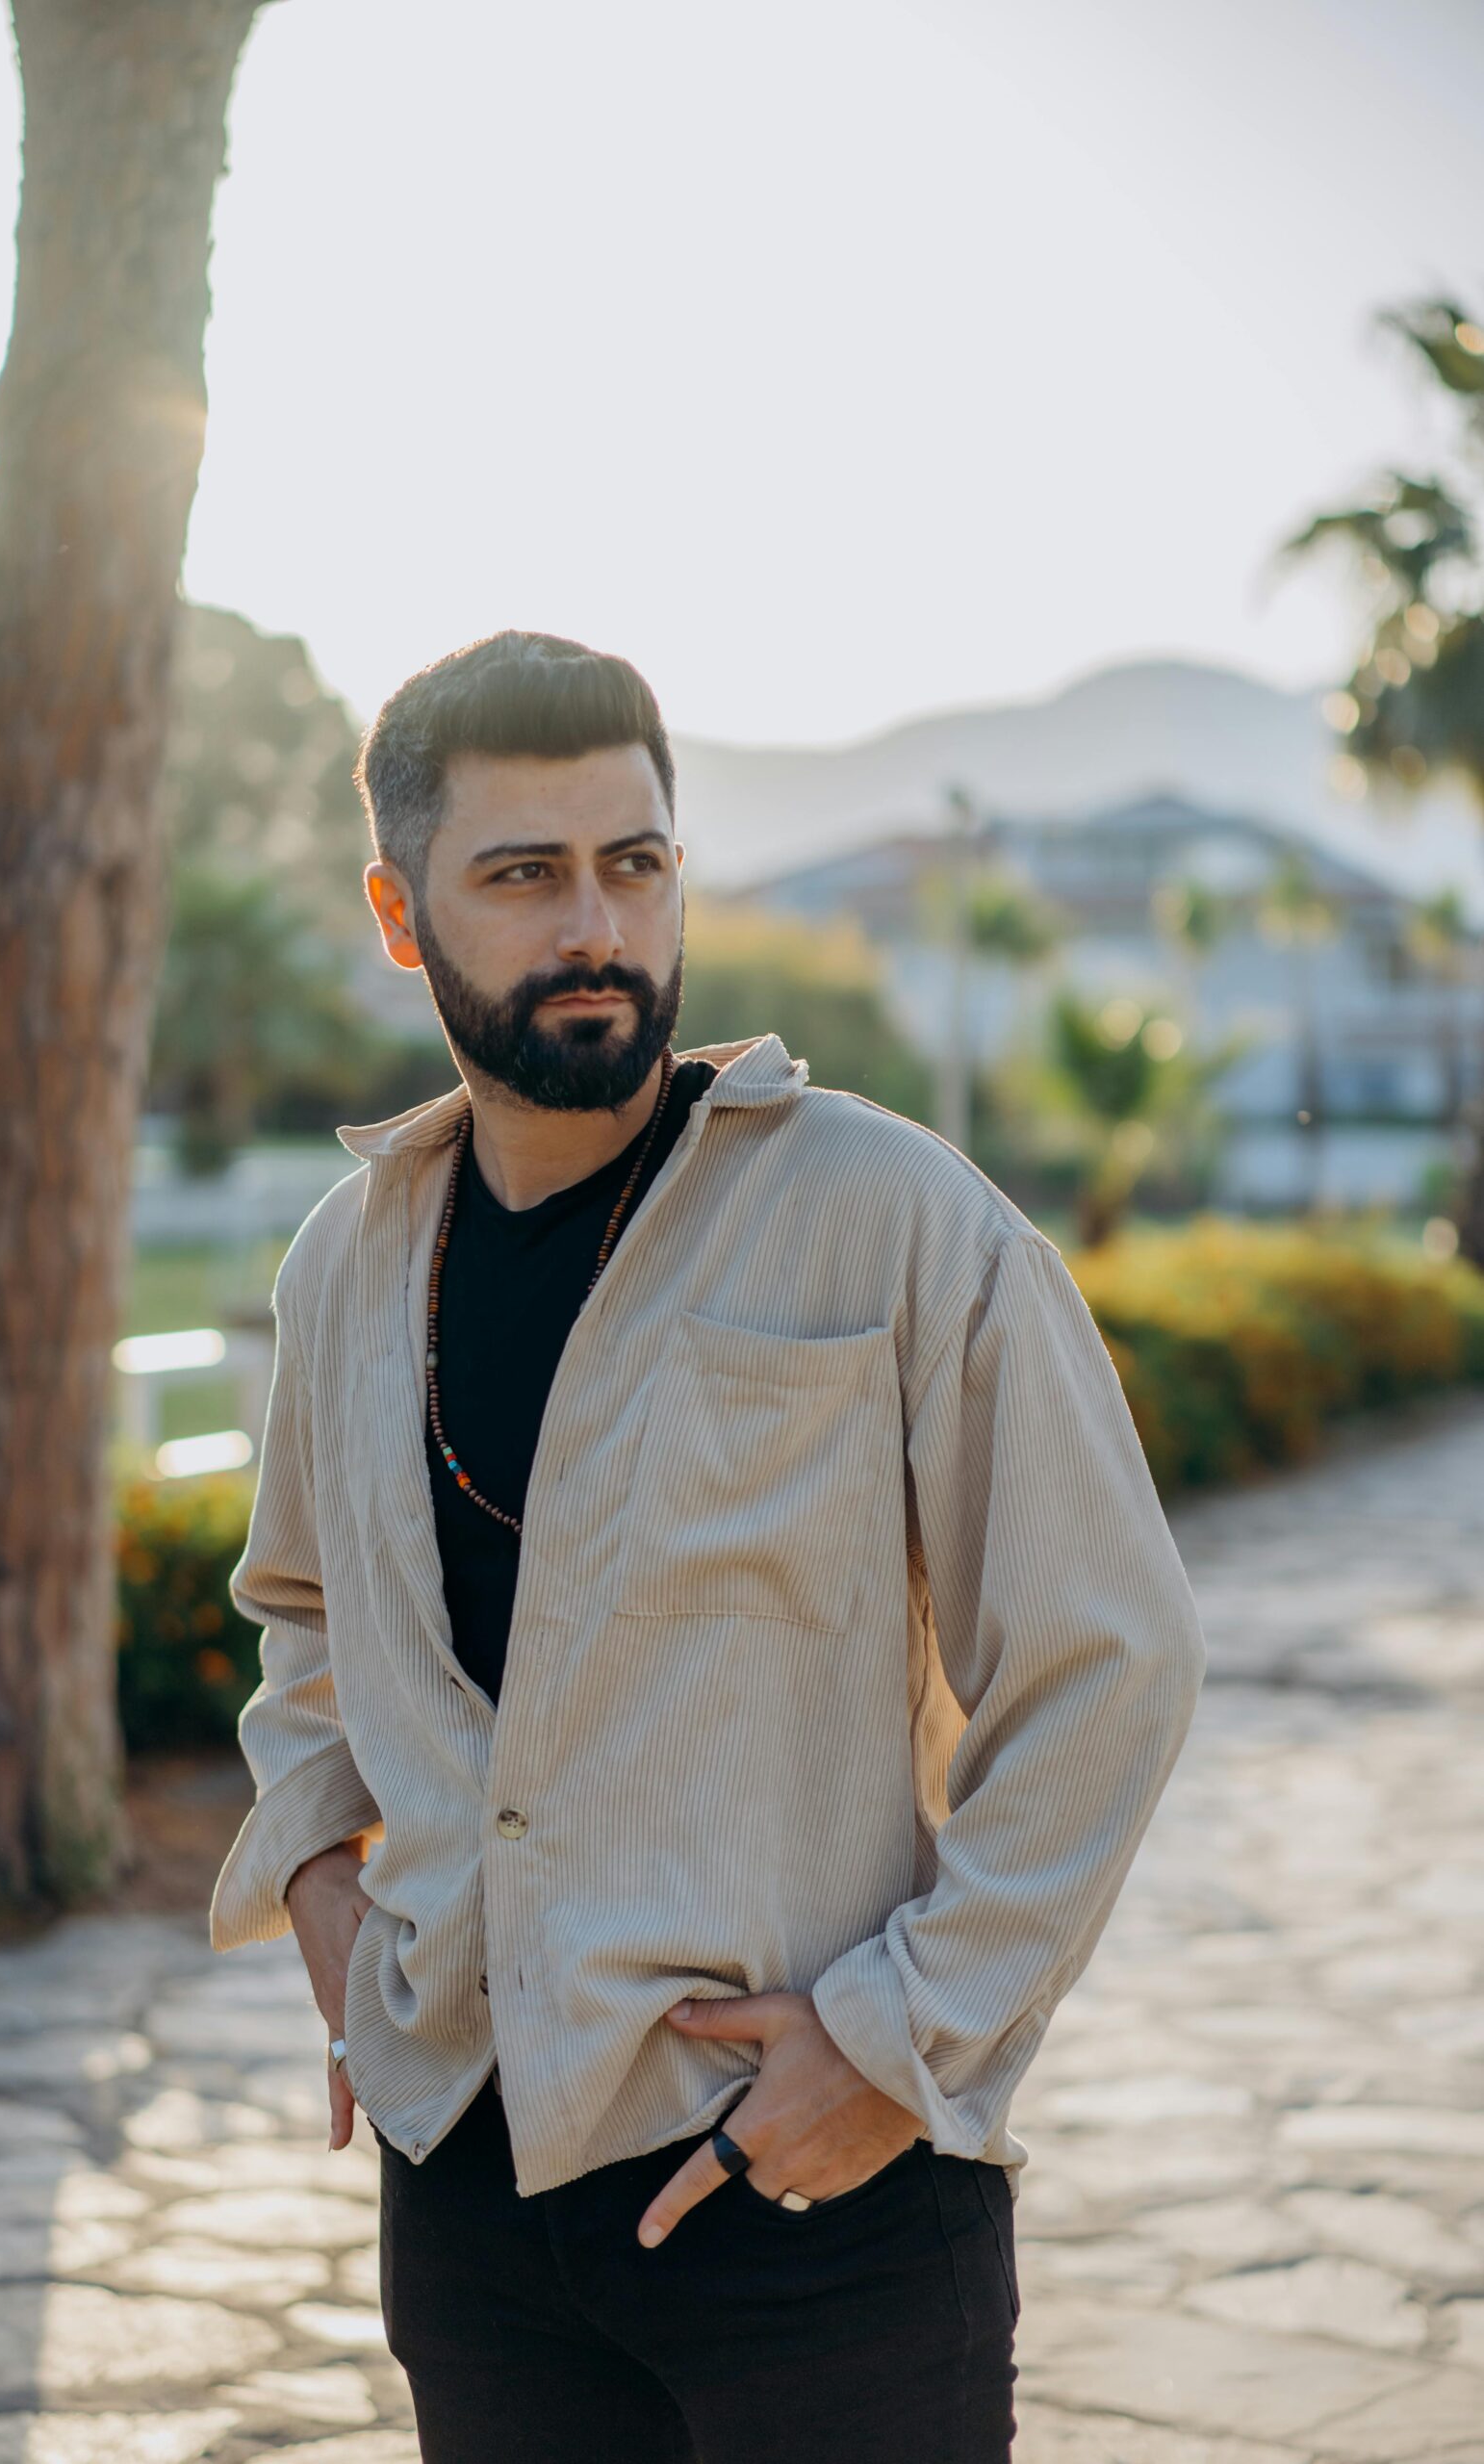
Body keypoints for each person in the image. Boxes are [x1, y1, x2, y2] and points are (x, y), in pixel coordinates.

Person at [208, 629, 1206, 2463]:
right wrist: (329, 1902)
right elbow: (298, 1621)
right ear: (400, 909)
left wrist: (907, 2043)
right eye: (523, 874)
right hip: (471, 2208)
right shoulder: (345, 1264)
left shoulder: (893, 1221)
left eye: (635, 865)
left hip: (816, 2206)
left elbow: (1108, 1658)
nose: (595, 926)